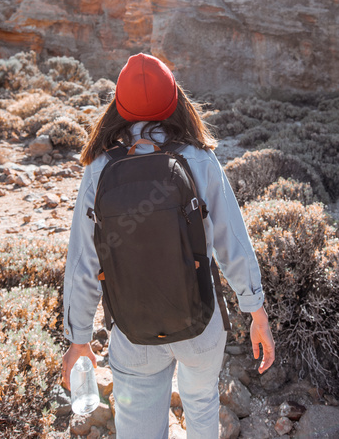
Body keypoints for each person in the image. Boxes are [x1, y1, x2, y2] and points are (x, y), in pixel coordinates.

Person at [61, 52, 276, 439]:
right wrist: (255, 310)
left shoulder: (98, 167)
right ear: (175, 100)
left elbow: (83, 261)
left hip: (132, 328)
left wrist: (78, 339)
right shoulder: (199, 157)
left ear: (119, 106)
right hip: (200, 320)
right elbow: (233, 243)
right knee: (201, 405)